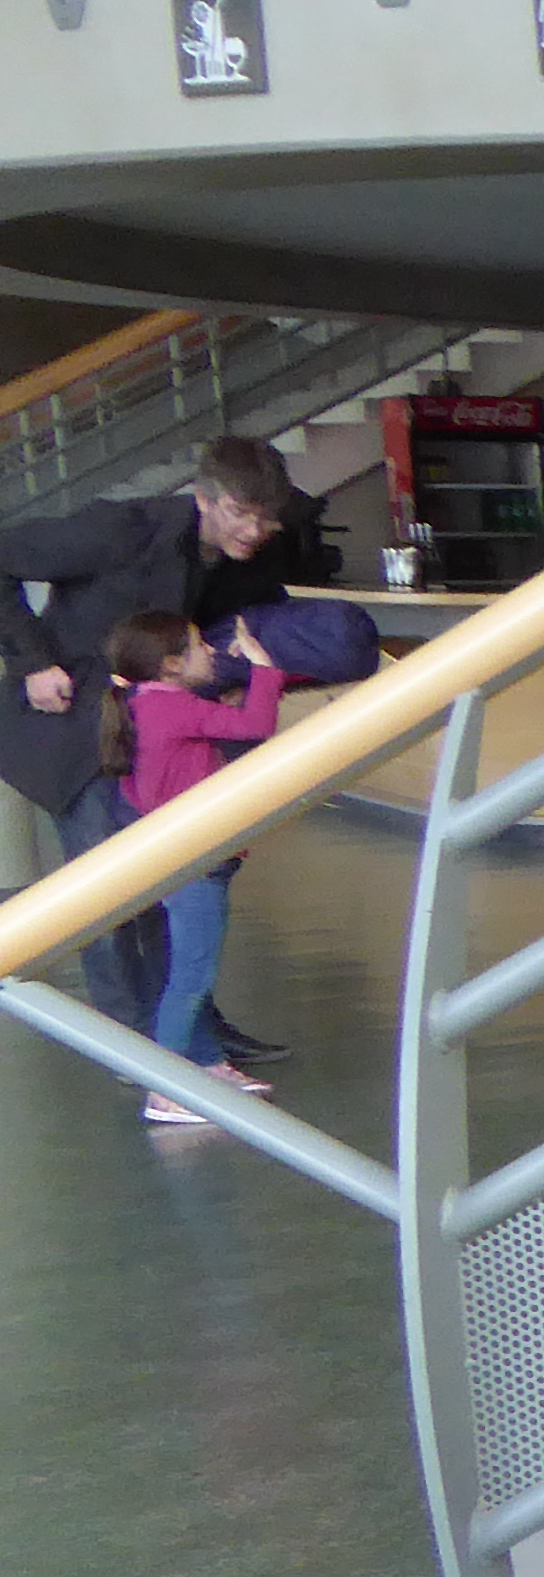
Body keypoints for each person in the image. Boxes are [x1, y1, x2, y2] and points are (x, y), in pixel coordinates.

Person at [1, 432, 306, 1056]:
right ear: (205, 498)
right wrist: (32, 661)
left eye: (266, 518)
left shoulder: (242, 561)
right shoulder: (123, 530)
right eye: (240, 513)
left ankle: (188, 1027)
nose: (254, 530)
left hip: (156, 739)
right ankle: (131, 1044)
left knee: (180, 879)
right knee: (108, 893)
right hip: (78, 731)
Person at [102, 611, 289, 1126]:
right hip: (196, 860)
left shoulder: (148, 706)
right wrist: (261, 667)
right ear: (169, 665)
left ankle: (206, 1064)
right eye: (198, 645)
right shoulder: (174, 707)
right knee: (193, 973)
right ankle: (164, 1090)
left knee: (191, 970)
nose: (210, 650)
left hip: (181, 858)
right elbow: (256, 726)